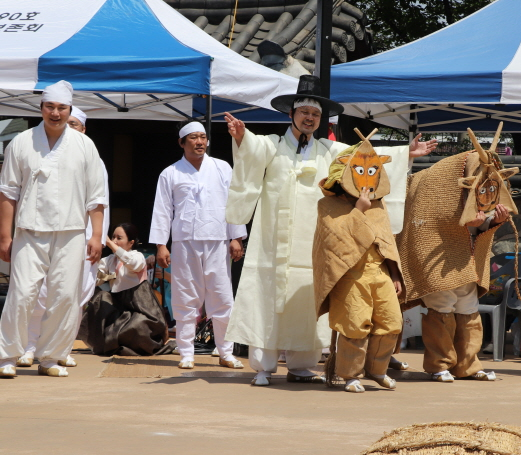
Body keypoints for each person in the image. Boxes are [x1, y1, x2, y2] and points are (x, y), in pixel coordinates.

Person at [224, 75, 437, 386]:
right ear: (291, 114)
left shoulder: (331, 151)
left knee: (311, 294)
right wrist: (244, 138)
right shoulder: (270, 145)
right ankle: (263, 366)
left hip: (315, 239)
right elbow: (253, 151)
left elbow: (367, 160)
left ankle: (301, 365)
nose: (309, 118)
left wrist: (407, 153)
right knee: (268, 296)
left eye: (315, 114)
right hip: (274, 240)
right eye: (304, 112)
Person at [0, 80, 106, 378]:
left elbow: (96, 196)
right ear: (41, 108)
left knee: (64, 296)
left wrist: (96, 236)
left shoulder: (85, 145)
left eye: (61, 108)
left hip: (72, 232)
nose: (55, 113)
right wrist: (5, 236)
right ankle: (7, 354)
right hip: (29, 232)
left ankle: (51, 357)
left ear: (70, 109)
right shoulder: (21, 141)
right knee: (21, 294)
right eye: (50, 107)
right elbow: (7, 192)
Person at [396, 132, 517, 382]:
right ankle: (439, 364)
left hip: (466, 260)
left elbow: (480, 222)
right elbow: (428, 220)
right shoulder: (435, 185)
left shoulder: (485, 187)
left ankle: (467, 365)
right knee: (441, 307)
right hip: (438, 258)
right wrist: (458, 222)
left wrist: (494, 219)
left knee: (468, 310)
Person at [149, 121, 247, 370]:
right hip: (185, 242)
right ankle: (186, 353)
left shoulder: (222, 168)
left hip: (217, 240)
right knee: (185, 298)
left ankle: (225, 352)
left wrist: (236, 236)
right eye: (193, 137)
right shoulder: (170, 173)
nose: (200, 142)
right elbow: (162, 211)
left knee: (222, 297)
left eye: (203, 137)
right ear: (182, 142)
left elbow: (235, 202)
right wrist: (161, 245)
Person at [313, 135, 404, 393]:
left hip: (380, 271)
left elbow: (386, 241)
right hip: (349, 274)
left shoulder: (378, 204)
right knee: (355, 325)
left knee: (391, 322)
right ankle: (351, 374)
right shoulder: (327, 205)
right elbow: (336, 241)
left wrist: (395, 272)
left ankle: (377, 370)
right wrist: (359, 210)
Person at [80, 223, 170, 355]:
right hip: (120, 310)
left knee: (137, 326)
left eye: (119, 238)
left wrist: (110, 243)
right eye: (113, 237)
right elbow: (94, 276)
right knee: (101, 297)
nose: (115, 240)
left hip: (143, 310)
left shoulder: (137, 256)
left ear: (131, 242)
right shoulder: (110, 260)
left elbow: (133, 264)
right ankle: (107, 343)